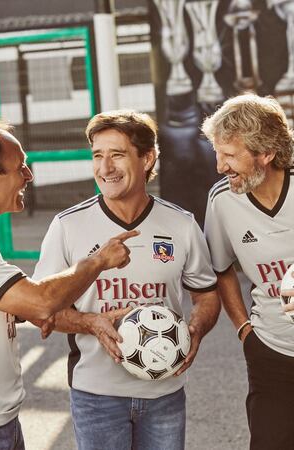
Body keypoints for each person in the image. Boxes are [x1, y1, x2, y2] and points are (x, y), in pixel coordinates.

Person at [0, 111, 137, 450]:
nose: (28, 175)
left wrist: (89, 322)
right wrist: (99, 260)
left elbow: (20, 308)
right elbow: (40, 301)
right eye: (20, 167)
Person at [33, 110, 220, 450]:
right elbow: (40, 308)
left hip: (164, 393)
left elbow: (207, 296)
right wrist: (90, 323)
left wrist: (195, 332)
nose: (104, 168)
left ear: (147, 158)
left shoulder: (181, 225)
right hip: (96, 396)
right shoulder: (67, 226)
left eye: (117, 155)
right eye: (97, 156)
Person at [202, 93, 294, 450]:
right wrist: (245, 331)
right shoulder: (222, 200)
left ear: (266, 153)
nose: (220, 166)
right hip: (270, 352)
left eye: (229, 155)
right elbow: (221, 270)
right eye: (217, 154)